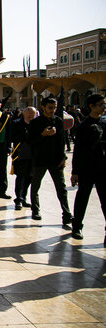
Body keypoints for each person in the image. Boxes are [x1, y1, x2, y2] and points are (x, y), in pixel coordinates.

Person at [28, 97, 72, 223]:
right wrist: (43, 135)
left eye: (54, 108)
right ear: (43, 107)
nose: (52, 110)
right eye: (50, 107)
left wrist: (63, 157)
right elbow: (30, 140)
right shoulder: (35, 123)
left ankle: (67, 213)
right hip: (40, 159)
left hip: (55, 160)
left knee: (61, 188)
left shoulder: (58, 121)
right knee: (35, 186)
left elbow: (62, 141)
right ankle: (35, 210)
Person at [70, 94, 106, 242]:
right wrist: (75, 172)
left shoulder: (104, 124)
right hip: (87, 168)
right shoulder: (84, 126)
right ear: (91, 106)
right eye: (101, 104)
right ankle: (77, 226)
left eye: (104, 105)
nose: (103, 107)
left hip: (103, 169)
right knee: (82, 197)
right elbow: (77, 150)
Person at [10, 107, 36, 210]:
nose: (31, 116)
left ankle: (24, 197)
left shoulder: (36, 124)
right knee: (20, 177)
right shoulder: (16, 123)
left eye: (33, 114)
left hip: (33, 156)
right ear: (24, 114)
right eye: (29, 114)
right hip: (20, 155)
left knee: (29, 177)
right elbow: (12, 137)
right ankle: (18, 199)